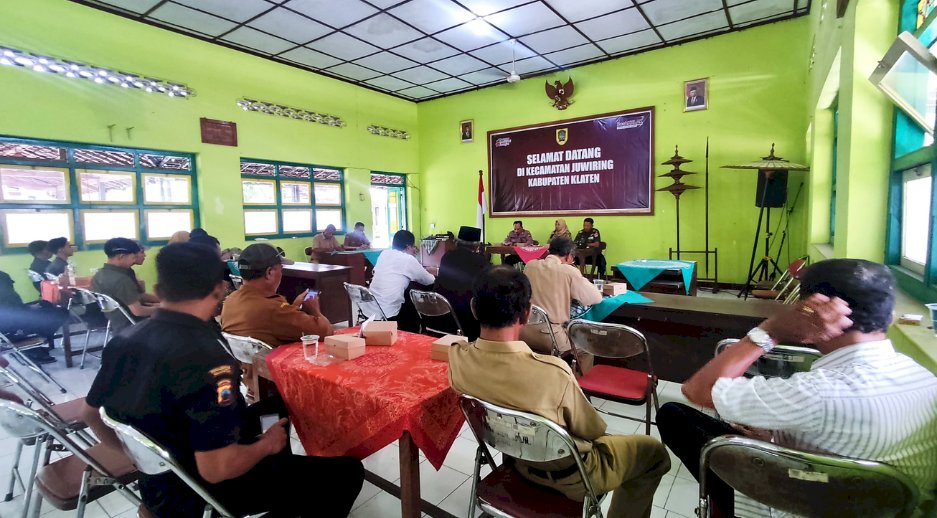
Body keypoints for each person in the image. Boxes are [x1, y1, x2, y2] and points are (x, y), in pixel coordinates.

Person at [81, 243, 364, 518]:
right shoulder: (209, 360)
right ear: (219, 288)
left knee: (277, 406)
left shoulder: (123, 342)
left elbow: (91, 414)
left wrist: (144, 458)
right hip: (202, 491)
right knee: (347, 473)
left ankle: (285, 484)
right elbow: (217, 468)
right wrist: (265, 444)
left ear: (158, 291)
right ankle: (281, 481)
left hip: (159, 481)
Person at [657, 259, 937, 517]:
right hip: (885, 507)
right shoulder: (928, 382)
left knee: (674, 415)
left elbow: (698, 389)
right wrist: (777, 440)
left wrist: (773, 329)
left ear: (812, 311)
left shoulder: (818, 392)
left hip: (793, 505)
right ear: (889, 316)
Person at [448, 266, 671, 518]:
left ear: (474, 308)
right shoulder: (552, 372)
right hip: (571, 478)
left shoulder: (457, 360)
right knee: (654, 453)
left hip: (515, 460)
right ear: (527, 313)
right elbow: (592, 430)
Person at [221, 243, 332, 346]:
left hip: (246, 365)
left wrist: (293, 308)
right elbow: (326, 333)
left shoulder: (230, 300)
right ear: (269, 273)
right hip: (271, 365)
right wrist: (315, 310)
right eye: (281, 269)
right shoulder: (274, 309)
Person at [521, 237, 602, 372]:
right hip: (549, 335)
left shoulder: (530, 265)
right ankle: (577, 388)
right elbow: (594, 298)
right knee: (586, 350)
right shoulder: (568, 271)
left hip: (523, 330)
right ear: (569, 255)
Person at [370, 230, 435, 332]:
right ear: (408, 247)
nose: (415, 249)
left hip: (370, 309)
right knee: (412, 302)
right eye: (414, 246)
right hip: (388, 313)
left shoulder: (384, 254)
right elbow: (429, 280)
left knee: (407, 293)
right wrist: (429, 271)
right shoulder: (408, 259)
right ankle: (415, 335)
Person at [91, 238, 160, 333]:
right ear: (121, 257)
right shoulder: (121, 279)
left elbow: (135, 296)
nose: (134, 260)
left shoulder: (99, 275)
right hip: (132, 325)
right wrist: (165, 308)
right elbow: (138, 311)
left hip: (115, 322)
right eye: (133, 258)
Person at [434, 227, 489, 340]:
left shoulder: (447, 257)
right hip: (466, 317)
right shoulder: (480, 261)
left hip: (442, 312)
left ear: (457, 242)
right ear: (477, 245)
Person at [0, 270, 67, 364]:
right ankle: (29, 347)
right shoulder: (1, 277)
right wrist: (27, 309)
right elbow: (6, 306)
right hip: (9, 322)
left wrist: (27, 307)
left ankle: (36, 343)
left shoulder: (2, 275)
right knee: (60, 313)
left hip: (13, 313)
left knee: (46, 304)